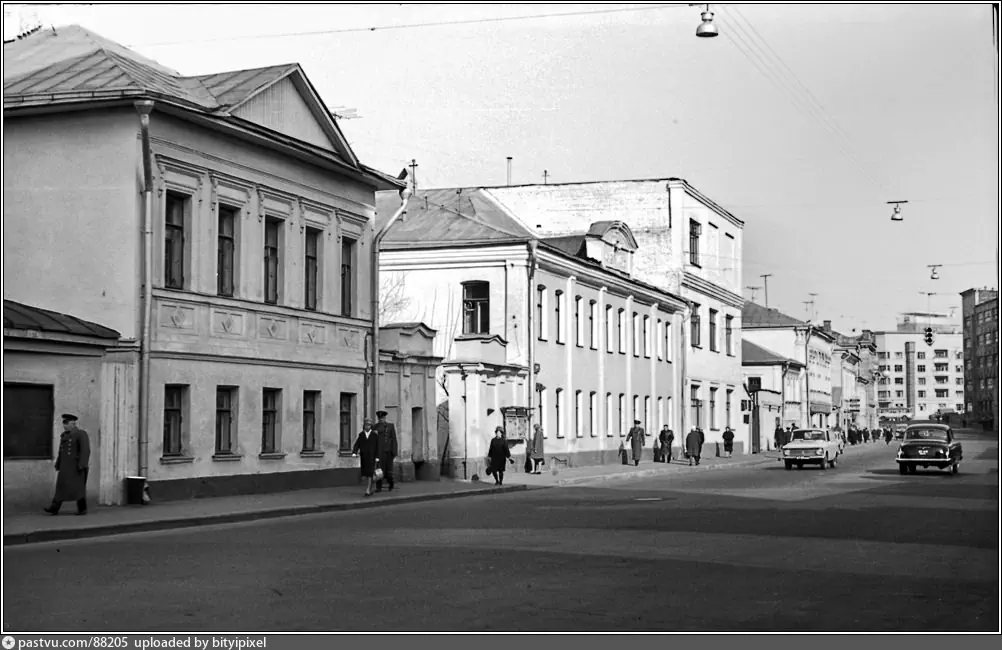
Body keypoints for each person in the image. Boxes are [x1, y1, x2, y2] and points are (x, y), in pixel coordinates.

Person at [44, 414, 91, 516]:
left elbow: (85, 450)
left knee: (78, 489)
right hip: (65, 467)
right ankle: (54, 507)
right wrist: (58, 463)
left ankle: (82, 509)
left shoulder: (80, 434)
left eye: (67, 424)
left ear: (73, 424)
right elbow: (61, 452)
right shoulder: (64, 436)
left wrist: (82, 464)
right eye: (64, 424)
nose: (65, 426)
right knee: (61, 487)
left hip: (76, 466)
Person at [352, 418, 381, 497]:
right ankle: (370, 488)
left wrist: (377, 456)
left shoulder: (374, 435)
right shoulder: (361, 435)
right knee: (365, 473)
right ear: (364, 426)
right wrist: (354, 452)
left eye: (369, 425)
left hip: (372, 457)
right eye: (366, 425)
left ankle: (368, 490)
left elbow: (377, 446)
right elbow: (357, 444)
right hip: (364, 456)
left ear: (371, 426)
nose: (367, 427)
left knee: (370, 473)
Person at [373, 410, 398, 492]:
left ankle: (391, 483)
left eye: (382, 418)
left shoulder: (390, 426)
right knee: (379, 470)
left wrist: (394, 451)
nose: (381, 419)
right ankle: (378, 487)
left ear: (385, 418)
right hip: (379, 452)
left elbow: (394, 439)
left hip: (388, 452)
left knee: (388, 470)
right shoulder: (375, 427)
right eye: (380, 418)